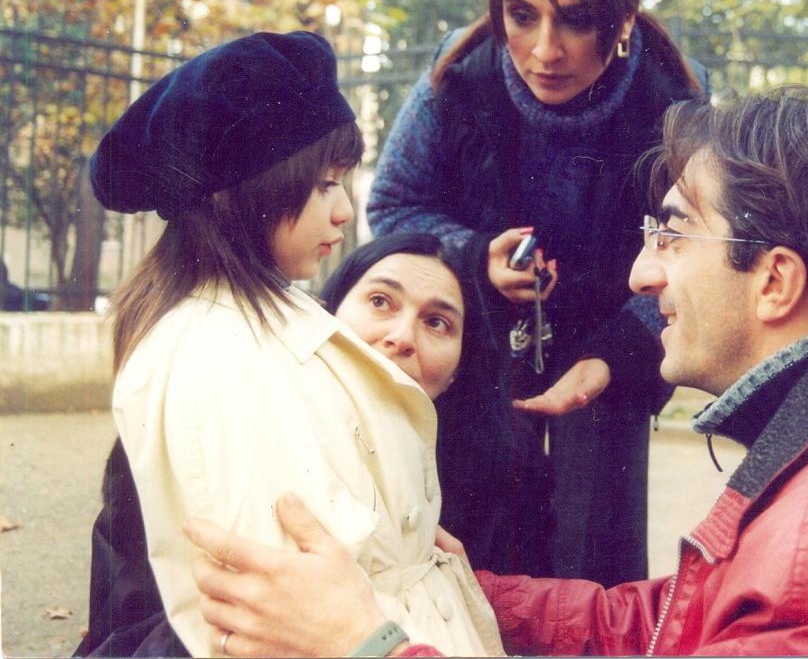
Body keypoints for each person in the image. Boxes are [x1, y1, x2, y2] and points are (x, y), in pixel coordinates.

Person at [184, 86, 808, 657]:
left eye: (673, 233)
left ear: (774, 281)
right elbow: (680, 624)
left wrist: (362, 641)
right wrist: (466, 592)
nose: (643, 274)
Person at [85, 31, 503, 657]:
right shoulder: (223, 352)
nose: (344, 211)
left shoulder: (258, 322)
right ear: (242, 189)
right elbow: (281, 604)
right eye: (325, 183)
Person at [366, 0, 706, 585]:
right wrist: (474, 259)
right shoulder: (457, 76)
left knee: (595, 572)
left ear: (623, 17)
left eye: (575, 20)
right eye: (521, 16)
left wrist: (615, 356)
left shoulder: (673, 101)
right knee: (468, 555)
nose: (545, 51)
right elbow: (395, 204)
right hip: (482, 347)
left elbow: (695, 249)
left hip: (612, 352)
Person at [76, 230, 498, 657]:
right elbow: (129, 626)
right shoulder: (219, 418)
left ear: (460, 365)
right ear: (327, 317)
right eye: (380, 301)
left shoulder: (486, 483)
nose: (402, 336)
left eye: (437, 322)